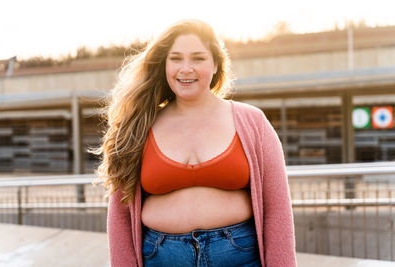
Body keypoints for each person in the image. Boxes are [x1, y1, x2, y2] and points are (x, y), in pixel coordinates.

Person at [94, 19, 296, 267]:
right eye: (176, 58)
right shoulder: (138, 125)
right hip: (160, 259)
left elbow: (277, 210)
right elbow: (121, 215)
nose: (186, 68)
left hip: (240, 258)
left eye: (198, 58)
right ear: (164, 65)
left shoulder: (253, 122)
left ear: (215, 64)